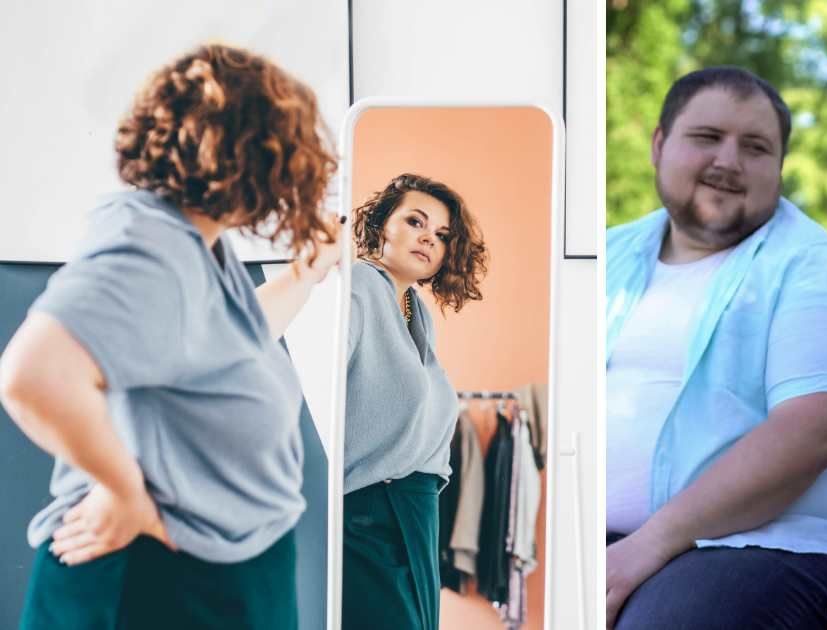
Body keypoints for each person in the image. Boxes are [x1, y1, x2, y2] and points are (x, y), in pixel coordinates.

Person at [0, 44, 340, 630]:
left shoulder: (195, 243)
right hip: (158, 582)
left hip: (216, 576)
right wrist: (123, 491)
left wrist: (301, 279)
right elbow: (33, 373)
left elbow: (228, 346)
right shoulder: (151, 248)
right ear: (253, 156)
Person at [605, 66, 827, 629]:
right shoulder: (605, 256)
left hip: (776, 547)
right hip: (610, 541)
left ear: (779, 169)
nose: (729, 161)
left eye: (756, 147)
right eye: (707, 138)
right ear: (659, 146)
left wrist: (647, 545)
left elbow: (812, 435)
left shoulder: (814, 268)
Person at [342, 172, 487, 630]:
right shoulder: (357, 288)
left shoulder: (415, 311)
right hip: (371, 512)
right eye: (415, 221)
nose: (428, 239)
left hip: (416, 513)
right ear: (382, 224)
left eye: (441, 235)